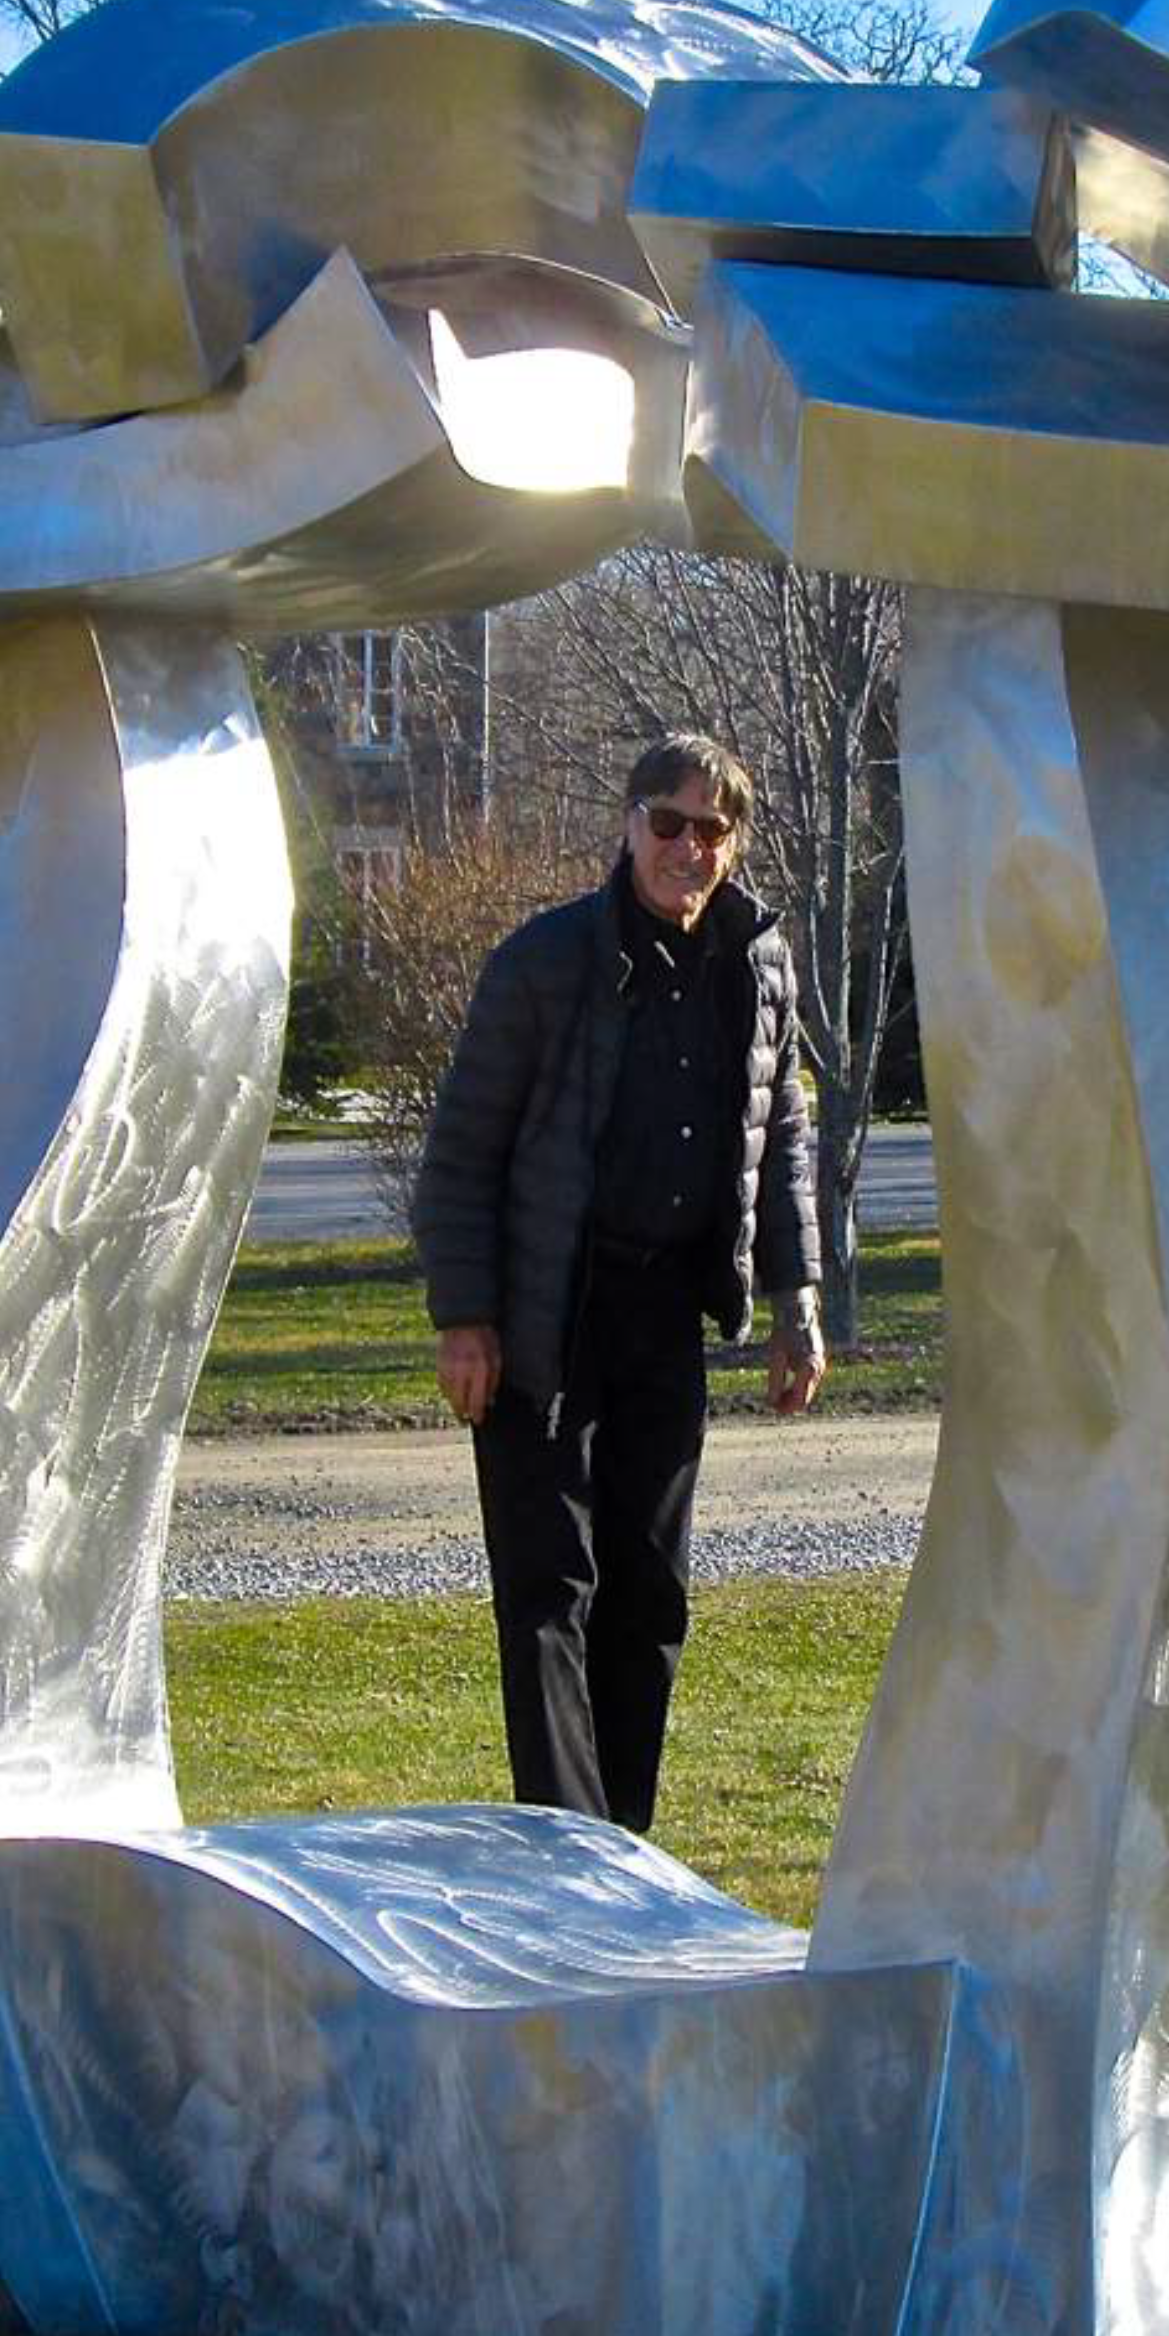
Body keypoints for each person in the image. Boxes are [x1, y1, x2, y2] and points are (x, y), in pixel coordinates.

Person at [411, 733, 826, 1836]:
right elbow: (458, 1155)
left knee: (652, 1593)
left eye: (711, 829)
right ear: (629, 824)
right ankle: (564, 1851)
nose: (688, 848)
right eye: (668, 822)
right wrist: (466, 1318)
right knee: (552, 1589)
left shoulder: (759, 961)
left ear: (733, 844)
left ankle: (620, 1852)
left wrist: (799, 1304)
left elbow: (779, 1133)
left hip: (663, 1313)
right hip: (545, 1309)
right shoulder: (545, 964)